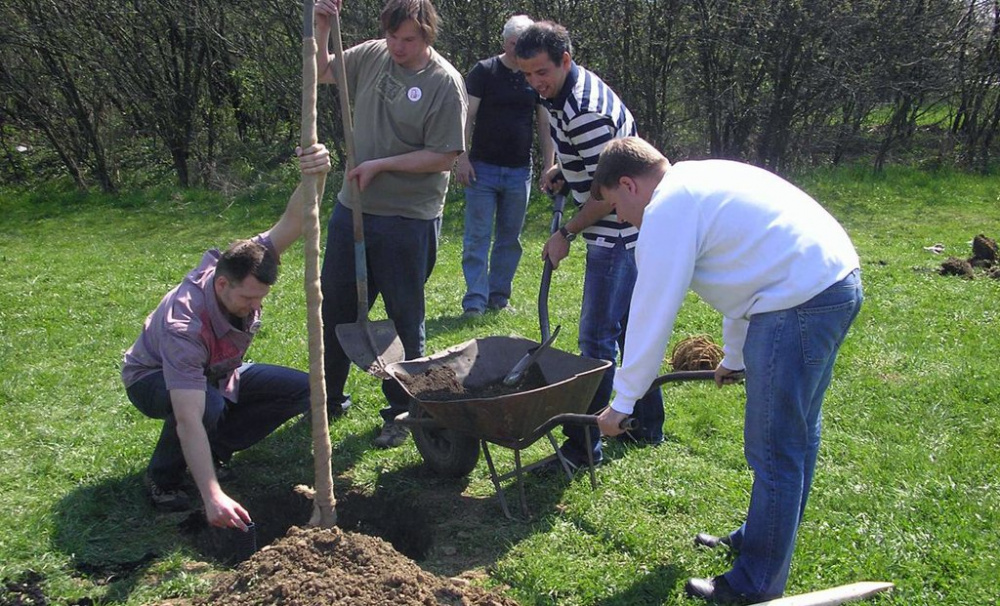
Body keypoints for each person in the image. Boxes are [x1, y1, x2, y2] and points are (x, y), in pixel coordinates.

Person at [592, 137, 864, 604]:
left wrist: (622, 401)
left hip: (797, 301)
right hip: (831, 283)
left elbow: (653, 310)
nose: (619, 217)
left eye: (616, 205)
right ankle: (762, 538)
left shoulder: (668, 209)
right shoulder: (697, 181)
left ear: (628, 184)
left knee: (775, 447)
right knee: (796, 436)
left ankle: (756, 581)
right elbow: (746, 272)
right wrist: (735, 357)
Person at [122, 144, 333, 530]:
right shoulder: (185, 326)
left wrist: (315, 175)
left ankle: (213, 451)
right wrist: (213, 495)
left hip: (219, 369)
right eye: (247, 298)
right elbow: (187, 417)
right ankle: (164, 478)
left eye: (261, 298)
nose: (254, 306)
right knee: (206, 409)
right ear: (221, 284)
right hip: (153, 376)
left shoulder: (251, 258)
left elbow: (295, 220)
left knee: (307, 390)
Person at [313, 0, 467, 448]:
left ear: (427, 37)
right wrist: (323, 26)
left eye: (409, 40)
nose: (398, 47)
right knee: (336, 309)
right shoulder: (372, 55)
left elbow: (444, 155)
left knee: (404, 318)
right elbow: (320, 71)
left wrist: (381, 164)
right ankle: (328, 399)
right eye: (393, 37)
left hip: (407, 220)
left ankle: (405, 411)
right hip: (353, 209)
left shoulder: (444, 83)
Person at [514, 21, 664, 468]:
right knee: (626, 330)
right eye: (526, 75)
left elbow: (608, 196)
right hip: (620, 224)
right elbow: (597, 167)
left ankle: (584, 448)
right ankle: (644, 426)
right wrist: (567, 170)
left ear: (565, 61)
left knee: (597, 337)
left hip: (619, 230)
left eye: (541, 72)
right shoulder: (558, 95)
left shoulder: (584, 112)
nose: (534, 83)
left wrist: (566, 232)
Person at [455, 14, 555, 318]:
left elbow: (545, 123)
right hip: (482, 168)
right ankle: (474, 300)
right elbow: (466, 117)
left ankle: (498, 297)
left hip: (518, 170)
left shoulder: (533, 78)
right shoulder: (484, 71)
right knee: (477, 237)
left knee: (510, 239)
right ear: (505, 42)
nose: (516, 51)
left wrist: (548, 165)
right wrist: (461, 157)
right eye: (513, 45)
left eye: (521, 45)